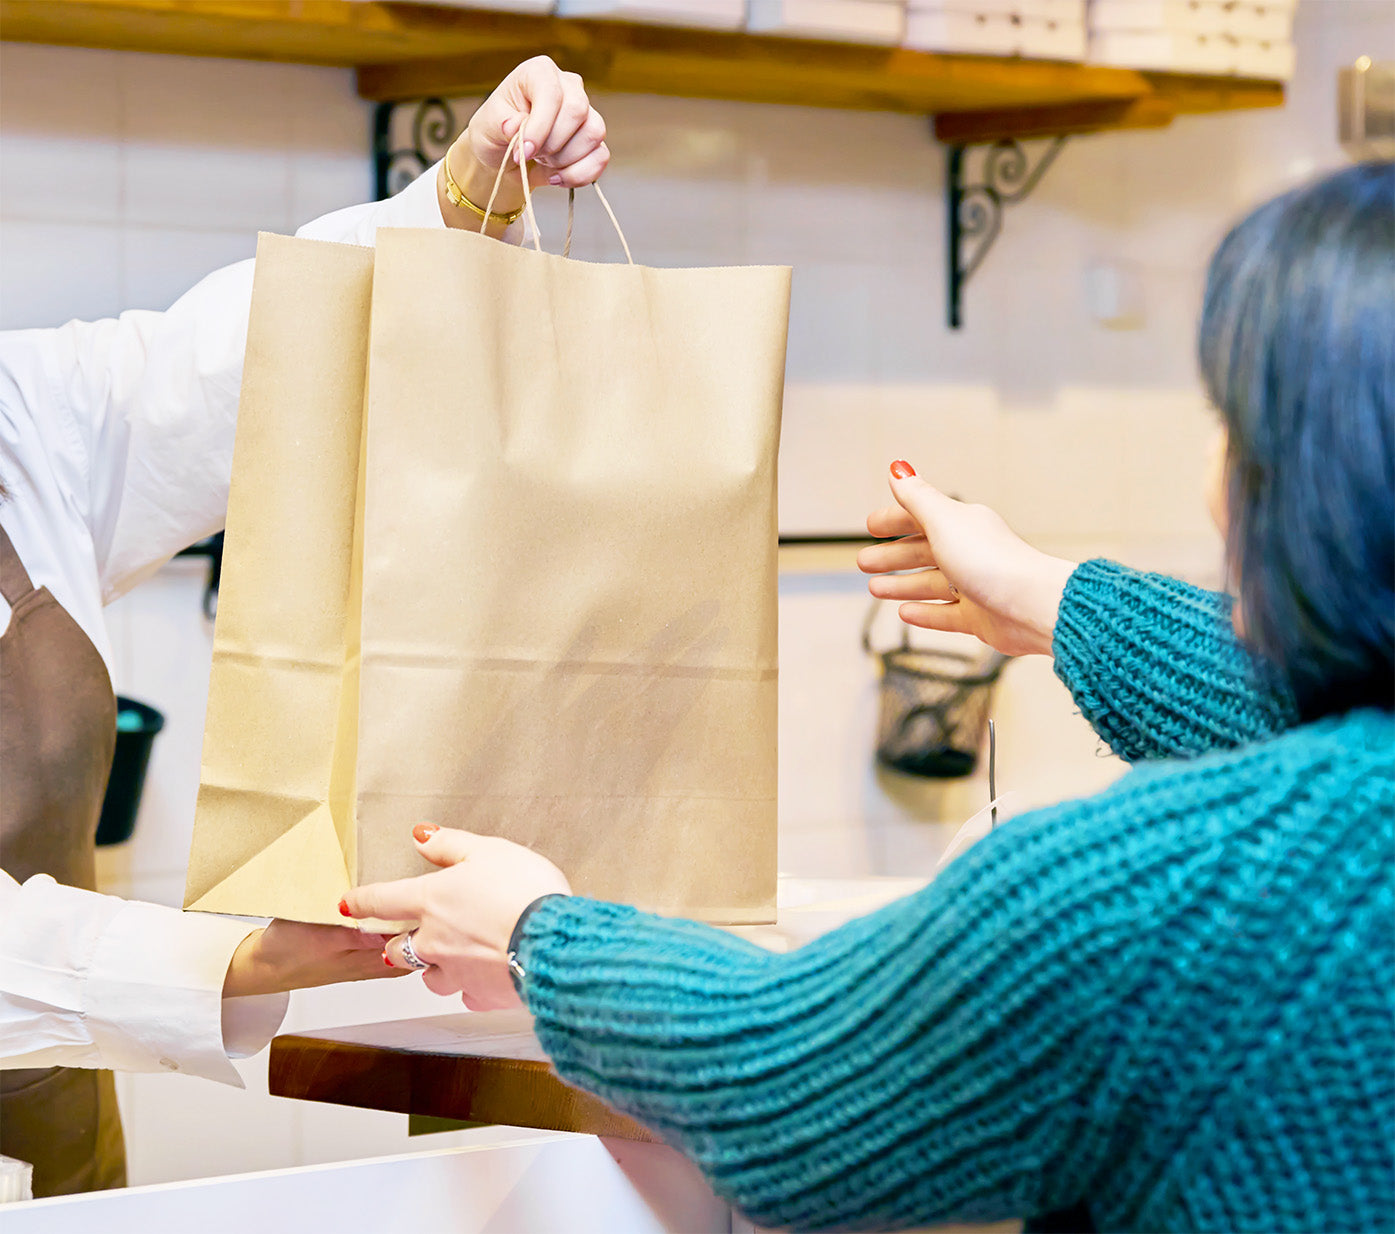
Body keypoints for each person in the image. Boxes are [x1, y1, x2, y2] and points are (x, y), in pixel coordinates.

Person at [344, 161, 1395, 1233]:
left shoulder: (1162, 906)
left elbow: (781, 1072)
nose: (1213, 480)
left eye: (1235, 423)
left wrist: (535, 939)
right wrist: (1049, 599)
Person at [0, 56, 610, 1198]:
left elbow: (256, 353)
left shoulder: (23, 413)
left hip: (57, 1150)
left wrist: (466, 194)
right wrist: (229, 959)